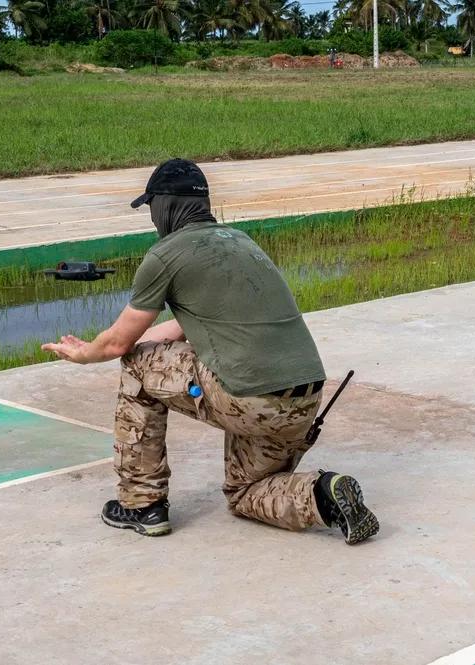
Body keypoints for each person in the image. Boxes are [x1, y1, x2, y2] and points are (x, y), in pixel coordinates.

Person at [41, 159, 379, 545]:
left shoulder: (165, 255)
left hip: (249, 398)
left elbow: (119, 344)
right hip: (302, 403)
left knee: (136, 363)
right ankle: (322, 495)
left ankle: (141, 504)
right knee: (246, 494)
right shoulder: (241, 242)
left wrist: (85, 353)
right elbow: (184, 326)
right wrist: (144, 340)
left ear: (164, 205)